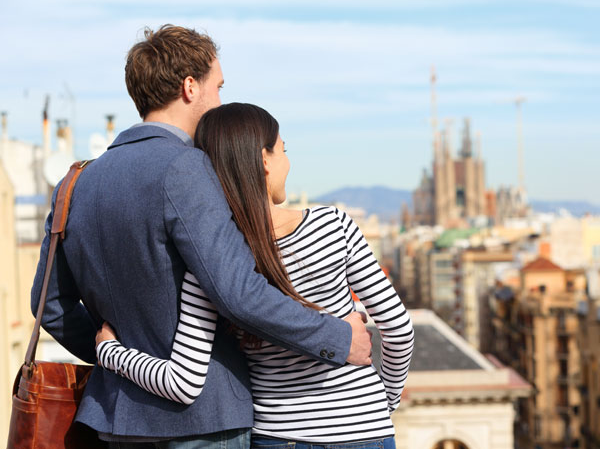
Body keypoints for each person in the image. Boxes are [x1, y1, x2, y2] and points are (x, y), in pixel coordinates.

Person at [31, 25, 373, 448]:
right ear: (190, 87)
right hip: (201, 421)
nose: (220, 100)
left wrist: (113, 354)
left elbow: (48, 304)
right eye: (219, 86)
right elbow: (238, 292)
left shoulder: (75, 183)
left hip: (114, 419)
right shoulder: (187, 169)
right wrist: (336, 337)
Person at [96, 103, 414, 448]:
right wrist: (385, 402)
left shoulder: (213, 258)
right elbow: (397, 328)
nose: (287, 162)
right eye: (283, 151)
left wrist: (111, 352)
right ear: (265, 161)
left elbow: (182, 382)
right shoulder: (333, 226)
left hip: (278, 436)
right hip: (364, 431)